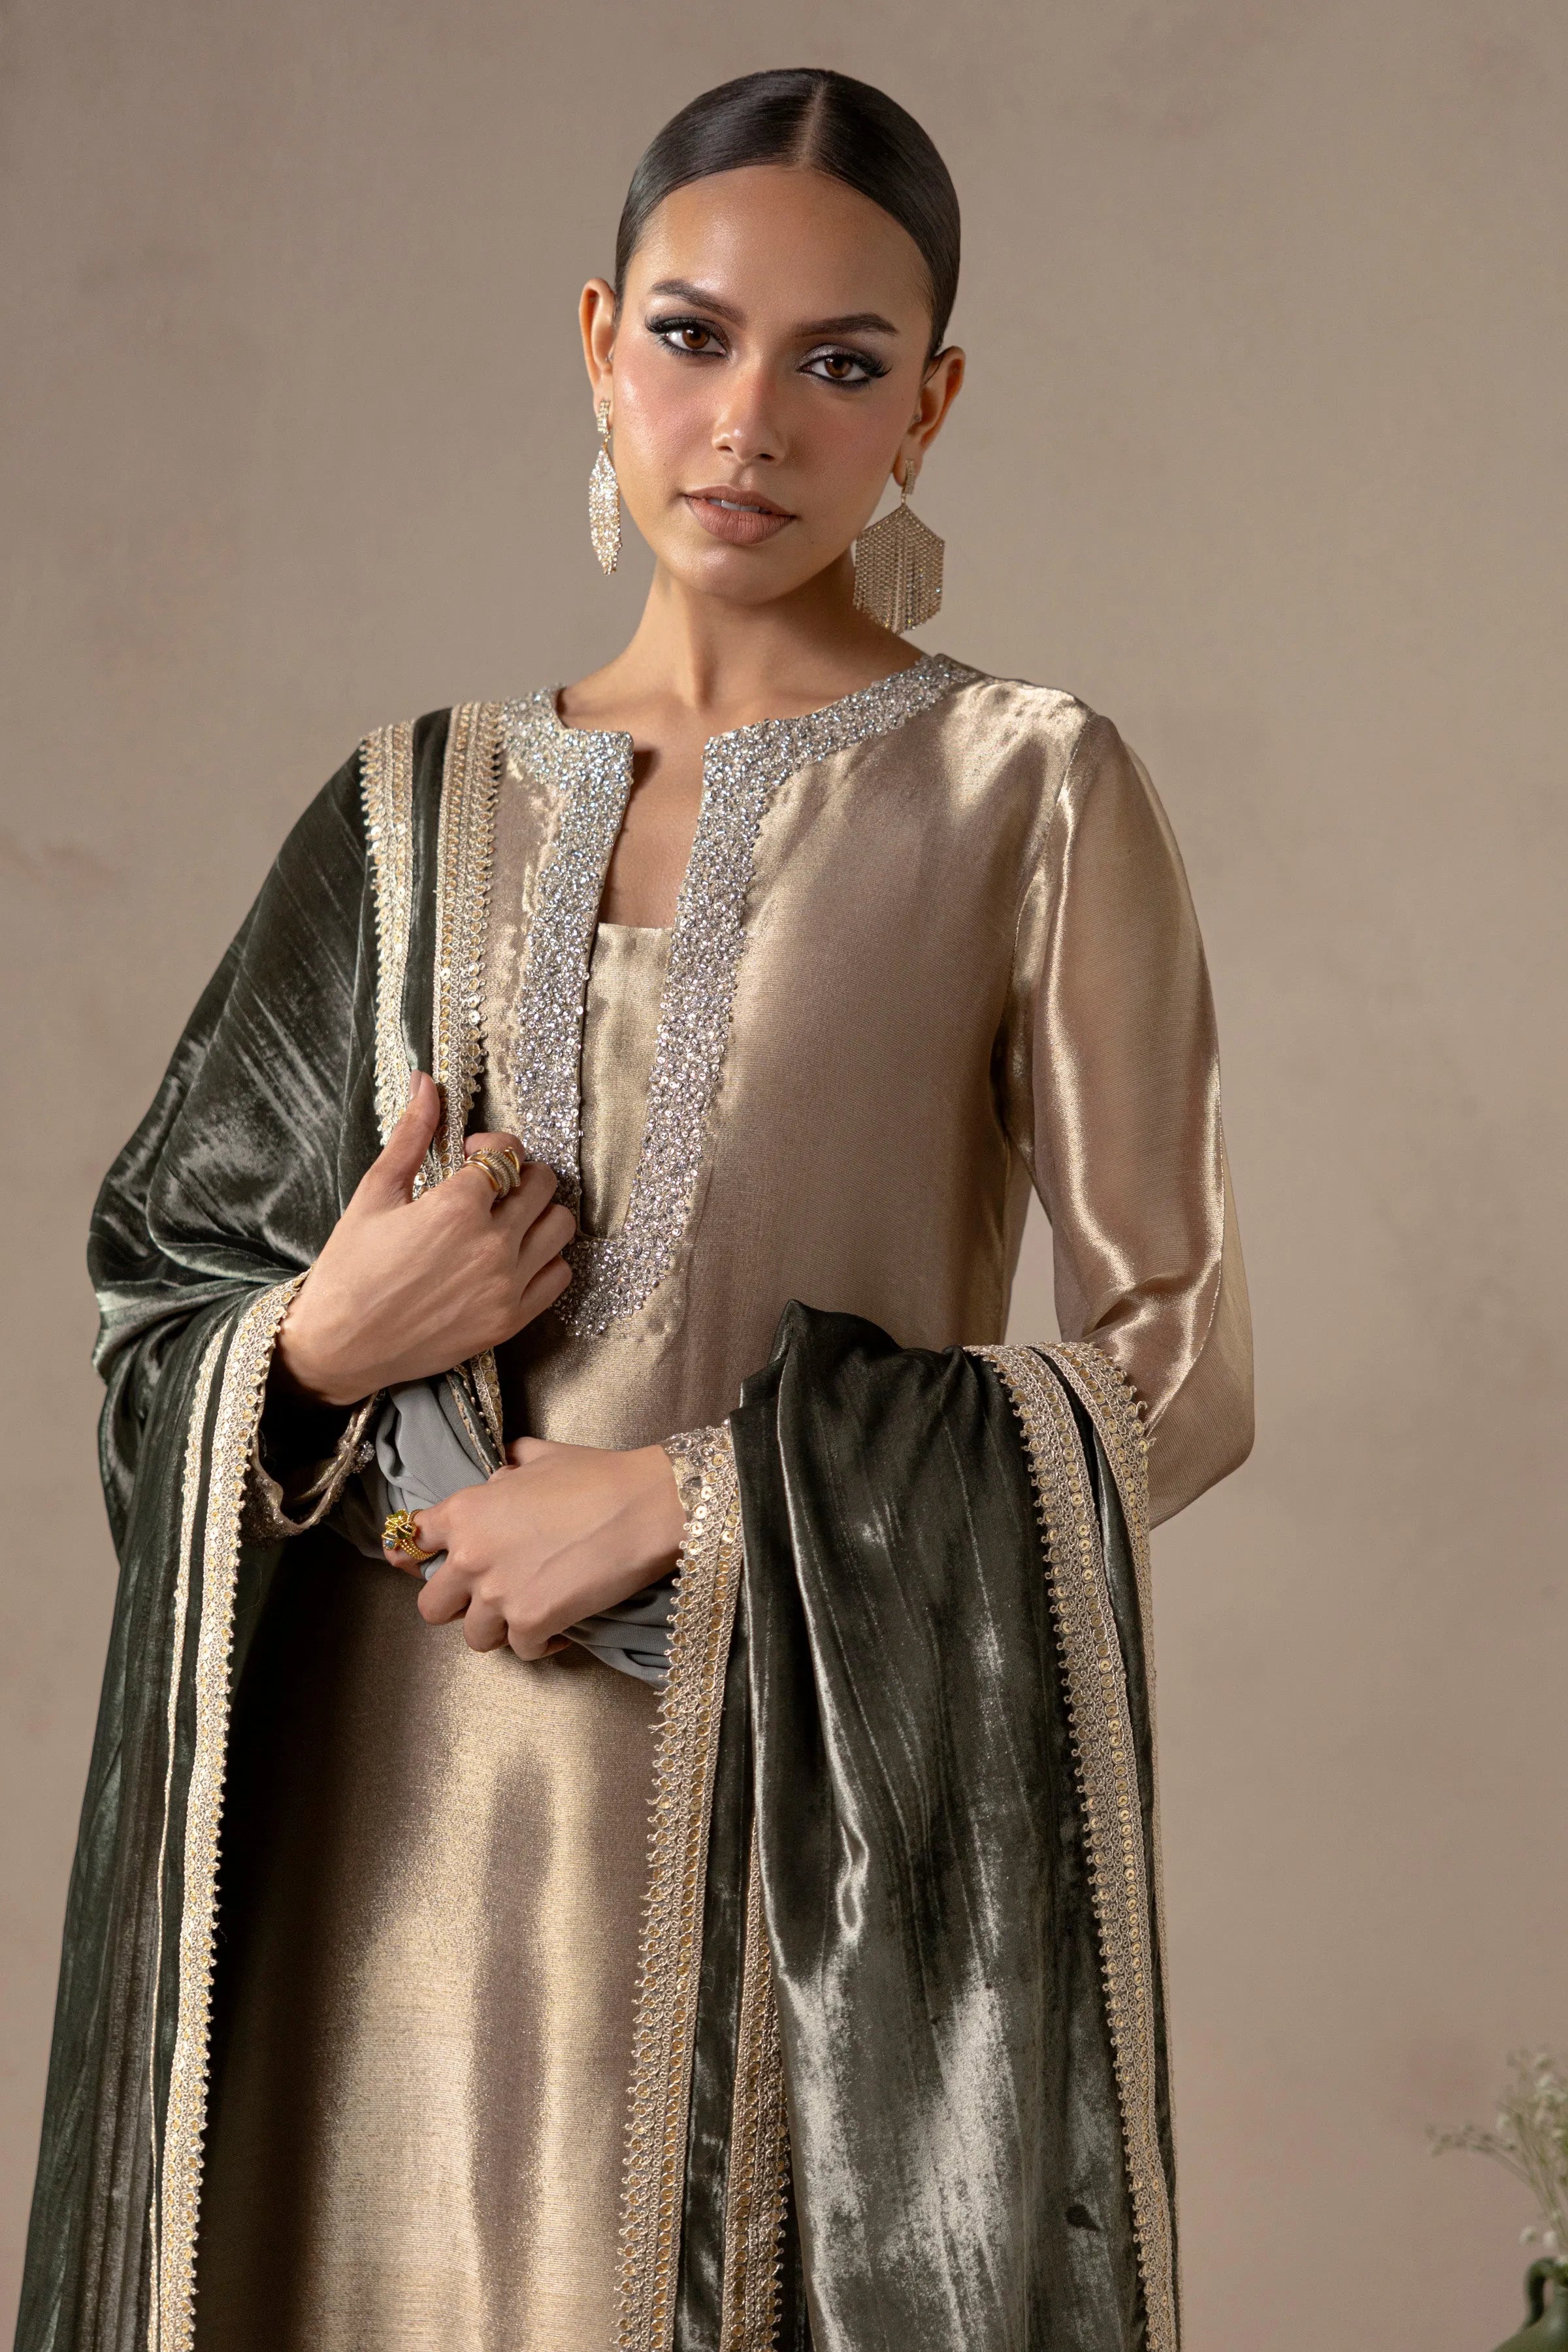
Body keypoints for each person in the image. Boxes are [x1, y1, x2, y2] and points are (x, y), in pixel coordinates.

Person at [16, 67, 1252, 2352]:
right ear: (599, 342)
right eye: (693, 337)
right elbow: (161, 1305)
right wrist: (323, 1343)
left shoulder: (1031, 796)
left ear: (931, 406)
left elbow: (1178, 1375)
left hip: (786, 1860)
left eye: (841, 364)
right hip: (367, 1880)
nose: (749, 422)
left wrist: (693, 1499)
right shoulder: (405, 809)